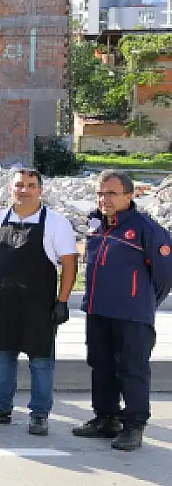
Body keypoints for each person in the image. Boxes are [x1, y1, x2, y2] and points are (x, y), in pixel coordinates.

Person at [0, 168, 78, 434]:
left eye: (31, 185)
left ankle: (39, 415)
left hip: (38, 307)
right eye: (19, 185)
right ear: (11, 189)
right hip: (2, 304)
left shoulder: (56, 223)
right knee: (3, 357)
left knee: (41, 362)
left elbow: (69, 264)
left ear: (40, 190)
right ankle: (1, 408)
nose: (25, 190)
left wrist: (62, 300)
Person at [76, 170, 172, 451]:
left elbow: (165, 274)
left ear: (129, 196)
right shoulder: (95, 223)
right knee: (101, 365)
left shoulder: (145, 228)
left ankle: (134, 425)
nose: (104, 199)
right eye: (100, 193)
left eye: (112, 194)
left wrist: (142, 300)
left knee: (132, 369)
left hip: (131, 315)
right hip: (98, 310)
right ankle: (106, 418)